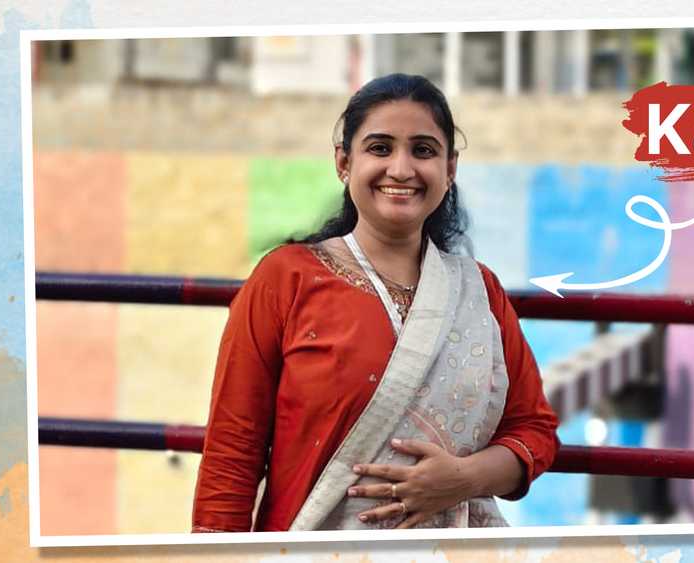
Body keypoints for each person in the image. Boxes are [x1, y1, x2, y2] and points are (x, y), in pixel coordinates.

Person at [191, 73, 560, 532]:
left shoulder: (478, 290)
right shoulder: (286, 280)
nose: (401, 169)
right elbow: (233, 451)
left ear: (450, 169)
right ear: (344, 163)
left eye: (423, 150)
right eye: (380, 148)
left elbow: (534, 431)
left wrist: (463, 479)